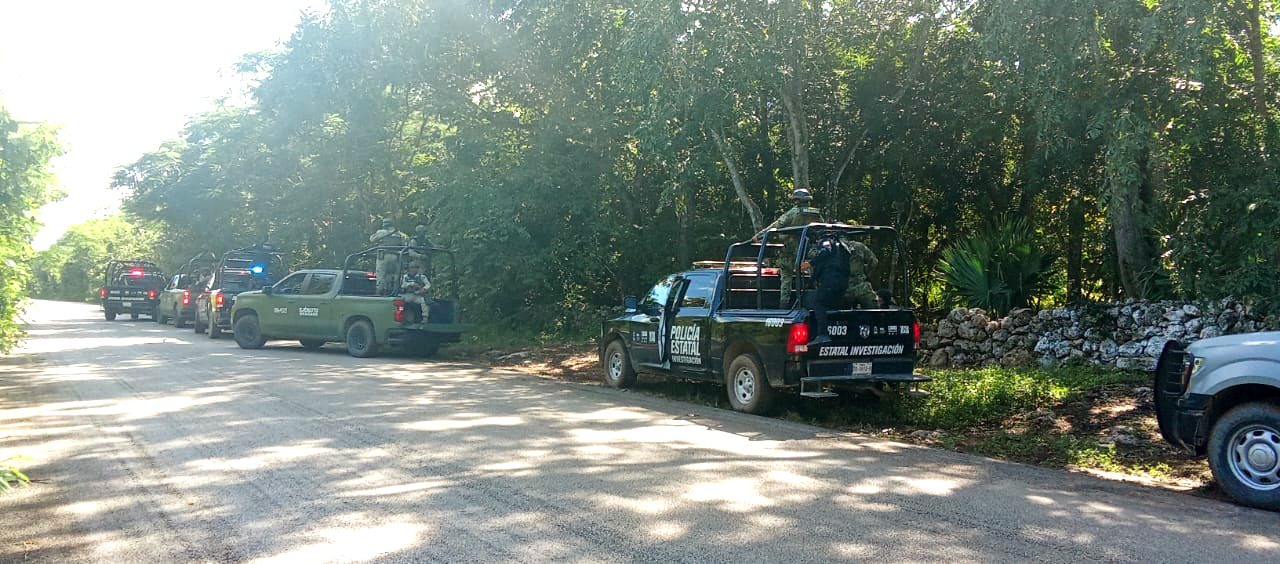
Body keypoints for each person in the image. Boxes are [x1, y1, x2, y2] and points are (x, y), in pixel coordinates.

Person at [802, 237, 850, 345]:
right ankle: (837, 334)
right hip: (842, 283)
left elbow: (825, 251)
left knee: (818, 304)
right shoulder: (842, 248)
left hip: (831, 281)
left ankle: (823, 335)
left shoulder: (827, 242)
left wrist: (810, 263)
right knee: (832, 305)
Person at [753, 188, 823, 242]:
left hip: (794, 246)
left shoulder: (794, 211)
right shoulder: (816, 212)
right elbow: (822, 226)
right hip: (811, 245)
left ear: (797, 200)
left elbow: (778, 224)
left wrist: (759, 235)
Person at [370, 217, 405, 295]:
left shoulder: (381, 232)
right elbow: (402, 244)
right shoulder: (398, 234)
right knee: (393, 275)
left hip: (383, 256)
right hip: (395, 257)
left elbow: (372, 239)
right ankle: (394, 291)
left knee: (381, 275)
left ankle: (379, 292)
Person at [843, 238, 879, 308]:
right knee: (874, 308)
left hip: (839, 289)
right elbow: (874, 262)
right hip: (860, 286)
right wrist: (864, 272)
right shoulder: (858, 246)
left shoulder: (829, 248)